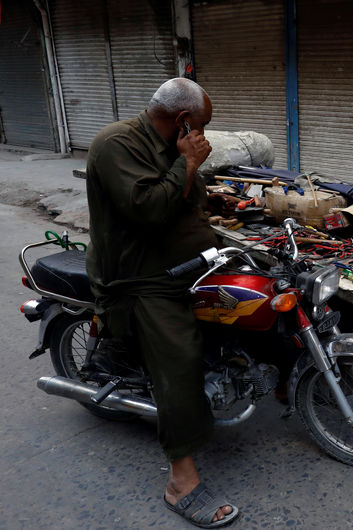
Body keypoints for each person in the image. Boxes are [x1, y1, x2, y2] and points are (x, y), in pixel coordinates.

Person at [85, 78, 239, 527]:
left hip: (186, 261)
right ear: (183, 119)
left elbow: (186, 195)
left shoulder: (169, 143)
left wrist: (214, 196)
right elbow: (149, 208)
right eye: (202, 126)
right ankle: (181, 481)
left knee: (247, 296)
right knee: (179, 358)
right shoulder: (116, 144)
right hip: (140, 276)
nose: (204, 136)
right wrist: (189, 160)